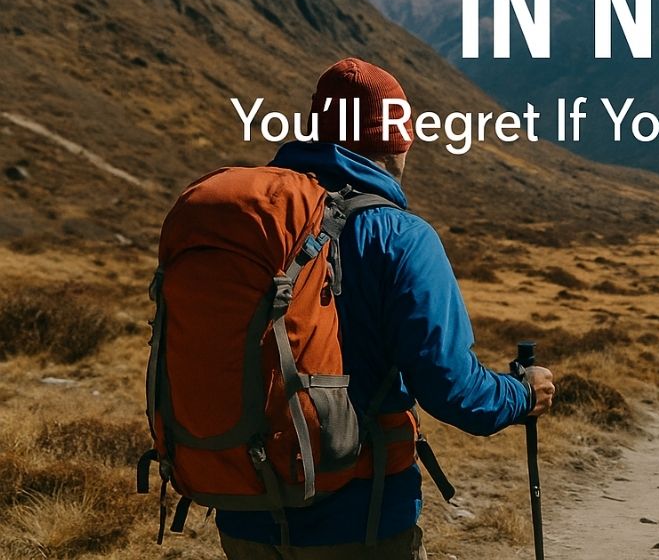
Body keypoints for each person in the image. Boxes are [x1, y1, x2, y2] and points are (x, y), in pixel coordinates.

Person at [215, 57, 555, 559]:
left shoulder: (249, 223)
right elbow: (455, 391)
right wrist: (522, 393)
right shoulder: (400, 236)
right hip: (362, 519)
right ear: (398, 141)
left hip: (244, 511)